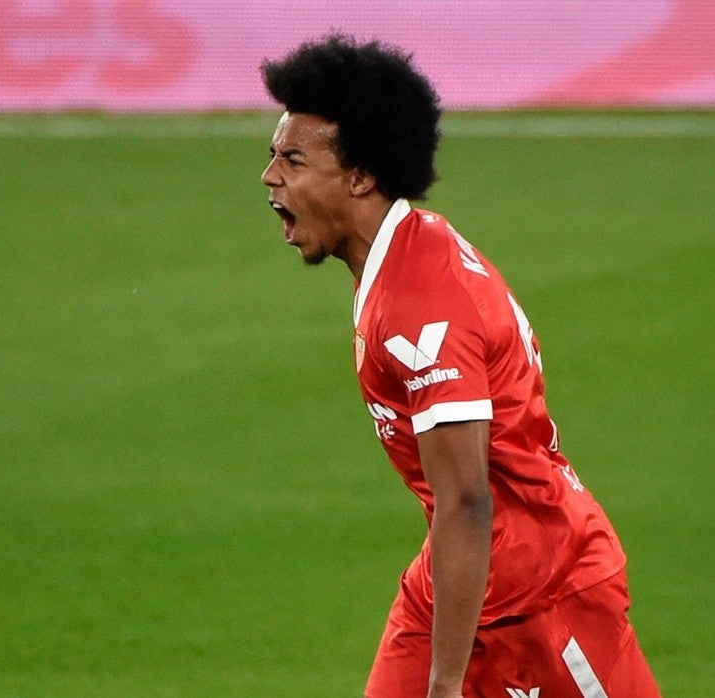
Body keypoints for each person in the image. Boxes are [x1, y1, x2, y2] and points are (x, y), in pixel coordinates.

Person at [259, 34, 660, 698]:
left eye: (294, 160)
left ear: (361, 176)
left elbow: (470, 499)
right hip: (459, 580)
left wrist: (445, 685)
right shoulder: (409, 248)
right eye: (273, 156)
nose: (271, 177)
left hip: (543, 594)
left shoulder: (421, 309)